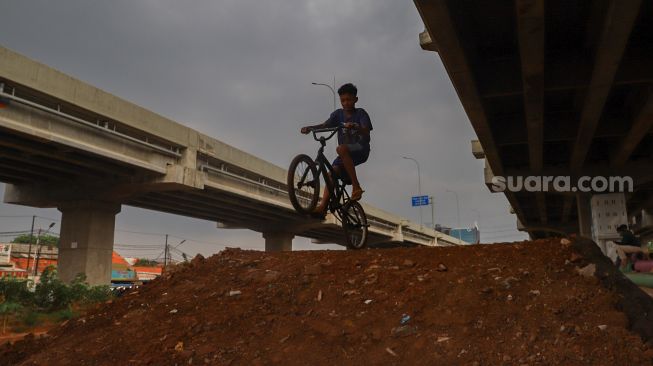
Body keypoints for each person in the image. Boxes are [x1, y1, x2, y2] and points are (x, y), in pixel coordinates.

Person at [300, 83, 373, 217]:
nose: (346, 103)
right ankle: (322, 208)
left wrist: (355, 127)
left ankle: (356, 187)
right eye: (343, 100)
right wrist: (310, 128)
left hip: (360, 149)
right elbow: (325, 125)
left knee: (341, 148)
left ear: (355, 99)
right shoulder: (338, 115)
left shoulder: (361, 113)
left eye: (349, 100)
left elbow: (366, 131)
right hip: (344, 154)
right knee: (330, 175)